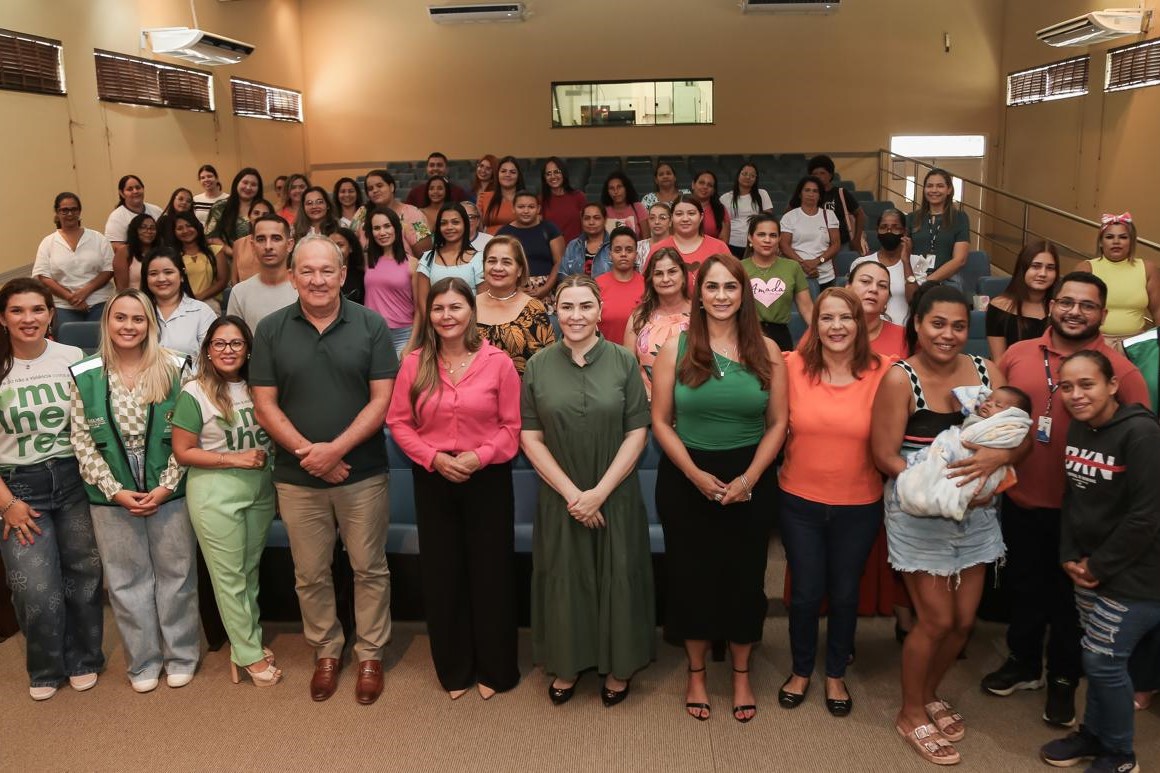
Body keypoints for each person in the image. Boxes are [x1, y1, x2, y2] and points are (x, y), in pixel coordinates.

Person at [984, 272, 1150, 728]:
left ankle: (1062, 681)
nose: (1075, 311)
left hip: (1086, 517)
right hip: (1021, 499)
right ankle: (1022, 663)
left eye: (1088, 305)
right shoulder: (1018, 355)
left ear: (1102, 313)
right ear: (1051, 305)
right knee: (1023, 587)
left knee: (1069, 605)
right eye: (1067, 302)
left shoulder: (1122, 371)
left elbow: (1139, 444)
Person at [251, 235, 399, 706]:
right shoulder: (271, 329)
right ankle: (327, 652)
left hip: (363, 471)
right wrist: (307, 453)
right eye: (307, 272)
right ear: (293, 276)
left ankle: (371, 653)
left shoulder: (372, 325)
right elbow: (264, 404)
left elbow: (382, 401)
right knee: (310, 572)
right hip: (297, 477)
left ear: (342, 274)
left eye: (327, 271)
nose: (317, 280)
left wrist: (334, 450)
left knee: (368, 567)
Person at [871, 284, 1014, 765]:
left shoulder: (986, 372)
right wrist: (936, 486)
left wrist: (1001, 458)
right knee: (934, 621)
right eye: (937, 324)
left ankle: (929, 692)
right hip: (920, 512)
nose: (948, 335)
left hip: (978, 513)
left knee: (963, 622)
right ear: (917, 323)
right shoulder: (899, 378)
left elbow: (1016, 435)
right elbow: (885, 455)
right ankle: (911, 713)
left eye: (958, 325)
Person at [652, 253, 787, 723]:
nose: (722, 296)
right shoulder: (676, 348)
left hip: (751, 475)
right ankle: (694, 672)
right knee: (691, 579)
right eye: (713, 287)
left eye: (731, 287)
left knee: (745, 578)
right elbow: (661, 421)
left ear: (744, 293)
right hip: (688, 475)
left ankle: (742, 672)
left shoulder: (767, 350)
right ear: (699, 295)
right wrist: (693, 474)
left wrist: (749, 478)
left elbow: (779, 423)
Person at [520, 275, 655, 707]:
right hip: (560, 493)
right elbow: (530, 437)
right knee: (565, 576)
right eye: (566, 307)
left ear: (599, 311)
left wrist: (598, 493)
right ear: (554, 312)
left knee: (618, 575)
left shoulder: (623, 361)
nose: (575, 316)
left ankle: (618, 666)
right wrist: (574, 495)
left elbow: (638, 432)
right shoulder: (538, 365)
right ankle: (567, 661)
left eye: (584, 307)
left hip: (614, 490)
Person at [387, 277, 521, 699]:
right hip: (433, 478)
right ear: (429, 314)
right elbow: (398, 423)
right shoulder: (414, 362)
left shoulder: (497, 360)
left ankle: (495, 669)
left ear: (471, 312)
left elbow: (511, 428)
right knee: (444, 576)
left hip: (488, 479)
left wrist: (477, 457)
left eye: (455, 307)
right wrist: (434, 458)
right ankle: (455, 669)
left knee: (491, 574)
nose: (447, 316)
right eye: (439, 308)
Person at [69, 289, 197, 693]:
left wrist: (165, 486)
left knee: (176, 576)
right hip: (111, 494)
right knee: (126, 581)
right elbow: (81, 440)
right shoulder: (83, 372)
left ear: (151, 324)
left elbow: (190, 431)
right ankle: (143, 661)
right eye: (120, 318)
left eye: (138, 319)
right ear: (107, 322)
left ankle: (180, 655)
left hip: (169, 489)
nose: (128, 326)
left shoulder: (178, 367)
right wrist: (114, 491)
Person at [1042, 350, 1160, 773]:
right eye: (1066, 386)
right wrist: (1070, 554)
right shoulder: (1079, 426)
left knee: (1102, 661)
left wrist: (1098, 566)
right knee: (1096, 655)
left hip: (1137, 574)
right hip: (1089, 566)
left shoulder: (1142, 433)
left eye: (1086, 384)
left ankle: (1121, 753)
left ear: (1112, 385)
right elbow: (1074, 495)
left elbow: (1147, 515)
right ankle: (1093, 734)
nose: (1075, 394)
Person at [779, 288, 890, 718]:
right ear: (814, 324)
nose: (837, 326)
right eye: (827, 318)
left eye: (846, 317)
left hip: (859, 504)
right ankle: (802, 669)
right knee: (806, 594)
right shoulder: (791, 367)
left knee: (845, 593)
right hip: (798, 501)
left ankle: (836, 673)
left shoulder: (885, 372)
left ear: (860, 324)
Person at [0, 278, 104, 701]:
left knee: (84, 574)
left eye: (38, 310)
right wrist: (7, 503)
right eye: (18, 311)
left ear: (51, 314)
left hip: (73, 477)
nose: (29, 319)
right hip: (18, 487)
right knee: (35, 586)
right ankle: (46, 667)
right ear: (2, 318)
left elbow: (94, 420)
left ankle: (85, 659)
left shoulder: (73, 356)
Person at [171, 316, 281, 688]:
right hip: (214, 493)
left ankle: (244, 643)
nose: (228, 350)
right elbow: (183, 452)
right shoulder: (194, 391)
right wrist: (234, 459)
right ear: (207, 350)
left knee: (248, 573)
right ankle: (249, 654)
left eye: (235, 343)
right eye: (219, 343)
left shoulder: (260, 387)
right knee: (229, 577)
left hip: (260, 491)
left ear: (248, 349)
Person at [894, 386, 1032, 522]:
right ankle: (930, 494)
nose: (989, 403)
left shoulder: (1003, 429)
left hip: (978, 483)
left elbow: (1020, 440)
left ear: (1011, 415)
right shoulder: (975, 418)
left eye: (998, 405)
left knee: (965, 487)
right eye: (988, 399)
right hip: (952, 463)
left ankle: (945, 498)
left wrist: (1002, 455)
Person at [1076, 212, 1160, 349]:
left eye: (1123, 237)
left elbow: (1158, 310)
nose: (1116, 242)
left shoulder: (1148, 268)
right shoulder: (1086, 268)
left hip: (1137, 346)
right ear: (1101, 242)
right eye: (1109, 237)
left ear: (1131, 241)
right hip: (1095, 343)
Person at [34, 192, 115, 332]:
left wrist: (84, 292)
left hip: (99, 302)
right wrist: (70, 297)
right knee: (68, 348)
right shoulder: (48, 243)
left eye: (74, 209)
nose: (70, 213)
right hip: (63, 306)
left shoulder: (98, 238)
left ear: (79, 211)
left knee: (102, 347)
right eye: (64, 210)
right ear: (57, 212)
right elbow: (43, 276)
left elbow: (108, 270)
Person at [475, 236, 555, 375]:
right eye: (491, 261)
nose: (497, 267)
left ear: (519, 270)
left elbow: (546, 365)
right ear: (484, 266)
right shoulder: (468, 307)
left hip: (520, 393)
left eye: (506, 262)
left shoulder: (533, 310)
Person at [624, 248, 691, 400]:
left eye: (672, 271)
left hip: (693, 405)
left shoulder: (700, 315)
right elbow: (628, 368)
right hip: (647, 403)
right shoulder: (639, 317)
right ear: (651, 280)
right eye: (659, 274)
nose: (666, 279)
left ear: (684, 276)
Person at [741, 213, 811, 351]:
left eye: (773, 235)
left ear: (779, 239)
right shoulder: (738, 268)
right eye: (761, 234)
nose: (767, 240)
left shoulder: (792, 267)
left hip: (781, 337)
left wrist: (818, 334)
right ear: (750, 237)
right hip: (747, 334)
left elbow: (807, 308)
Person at [985, 240, 1058, 362]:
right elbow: (999, 361)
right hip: (1011, 377)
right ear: (1022, 268)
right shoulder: (999, 307)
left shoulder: (1060, 307)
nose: (1043, 273)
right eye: (1036, 266)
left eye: (1050, 268)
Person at [227, 214, 299, 335]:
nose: (268, 246)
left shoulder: (305, 288)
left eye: (276, 238)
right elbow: (234, 340)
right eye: (261, 239)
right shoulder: (239, 292)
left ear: (290, 244)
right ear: (252, 246)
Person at [140, 248, 218, 359]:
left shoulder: (202, 312)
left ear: (181, 275)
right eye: (153, 274)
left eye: (168, 272)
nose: (161, 279)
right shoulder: (137, 311)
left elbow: (212, 358)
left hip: (191, 376)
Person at [362, 206, 419, 356]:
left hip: (403, 335)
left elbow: (421, 310)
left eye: (387, 226)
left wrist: (411, 344)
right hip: (372, 334)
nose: (382, 232)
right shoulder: (368, 261)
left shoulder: (412, 263)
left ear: (396, 228)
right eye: (376, 228)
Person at [851, 209, 921, 325]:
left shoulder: (917, 262)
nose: (889, 232)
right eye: (883, 227)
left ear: (904, 232)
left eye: (895, 227)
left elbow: (915, 302)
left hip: (904, 331)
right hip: (868, 330)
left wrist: (906, 263)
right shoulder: (861, 264)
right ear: (877, 231)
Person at [497, 191, 564, 307]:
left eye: (531, 207)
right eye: (521, 207)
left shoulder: (549, 229)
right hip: (513, 291)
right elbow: (499, 265)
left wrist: (545, 288)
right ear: (513, 208)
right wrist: (514, 289)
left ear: (538, 209)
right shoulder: (504, 233)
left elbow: (559, 262)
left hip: (547, 291)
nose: (526, 211)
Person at [906, 168, 970, 288]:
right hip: (916, 276)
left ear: (949, 190)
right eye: (929, 186)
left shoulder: (960, 218)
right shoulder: (911, 218)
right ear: (924, 189)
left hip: (948, 279)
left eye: (940, 186)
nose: (934, 190)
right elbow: (904, 254)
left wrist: (927, 282)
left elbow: (960, 259)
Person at [416, 203, 483, 316]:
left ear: (465, 225)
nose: (449, 227)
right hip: (437, 326)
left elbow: (483, 302)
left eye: (455, 222)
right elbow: (424, 303)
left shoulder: (479, 258)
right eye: (444, 223)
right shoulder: (427, 258)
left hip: (472, 327)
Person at [780, 175, 841, 297]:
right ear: (800, 194)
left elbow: (836, 244)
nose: (811, 194)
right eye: (807, 190)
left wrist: (817, 261)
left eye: (815, 191)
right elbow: (784, 245)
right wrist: (803, 264)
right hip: (797, 274)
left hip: (825, 276)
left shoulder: (829, 215)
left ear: (820, 195)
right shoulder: (789, 217)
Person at [350, 170, 431, 258]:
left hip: (404, 268)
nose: (375, 190)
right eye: (370, 189)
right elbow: (349, 242)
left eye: (379, 186)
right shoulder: (363, 212)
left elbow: (425, 254)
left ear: (391, 187)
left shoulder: (412, 213)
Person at [647, 195, 730, 280]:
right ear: (671, 218)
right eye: (679, 214)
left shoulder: (719, 247)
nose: (685, 219)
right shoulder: (658, 249)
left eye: (691, 213)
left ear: (701, 217)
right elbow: (647, 285)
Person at [596, 226, 645, 345]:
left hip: (638, 359)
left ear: (636, 255)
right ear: (609, 254)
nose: (623, 254)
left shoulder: (647, 285)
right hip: (603, 356)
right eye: (618, 250)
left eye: (629, 250)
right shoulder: (596, 285)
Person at [808, 155, 867, 254]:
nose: (818, 176)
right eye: (815, 174)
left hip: (842, 244)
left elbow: (860, 215)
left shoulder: (841, 193)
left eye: (822, 173)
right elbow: (789, 212)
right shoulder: (808, 195)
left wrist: (856, 239)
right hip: (816, 246)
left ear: (830, 175)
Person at [171, 211, 228, 312]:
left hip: (210, 304)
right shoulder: (172, 256)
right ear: (174, 232)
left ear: (197, 227)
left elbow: (222, 281)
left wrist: (199, 297)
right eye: (180, 228)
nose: (185, 230)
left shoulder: (215, 250)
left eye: (189, 226)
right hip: (180, 305)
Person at [206, 167, 264, 263]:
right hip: (227, 263)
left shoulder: (263, 209)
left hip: (257, 262)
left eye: (253, 184)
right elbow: (210, 237)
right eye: (245, 183)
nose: (248, 187)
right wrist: (232, 252)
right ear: (237, 183)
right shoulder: (220, 207)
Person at [104, 175, 162, 266]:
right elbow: (116, 248)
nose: (135, 191)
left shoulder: (157, 210)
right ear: (122, 193)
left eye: (138, 188)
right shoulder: (116, 217)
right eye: (130, 189)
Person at [720, 162, 773, 258]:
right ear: (738, 175)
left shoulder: (762, 194)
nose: (748, 177)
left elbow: (768, 220)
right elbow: (722, 225)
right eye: (744, 174)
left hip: (756, 243)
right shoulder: (725, 198)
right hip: (732, 243)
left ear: (756, 179)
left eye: (752, 176)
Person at [228, 198, 275, 285]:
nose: (260, 217)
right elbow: (234, 278)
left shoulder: (276, 243)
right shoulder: (239, 244)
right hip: (243, 294)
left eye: (265, 214)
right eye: (256, 213)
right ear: (249, 217)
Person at [539, 157, 586, 242]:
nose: (553, 176)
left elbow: (585, 227)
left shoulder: (578, 196)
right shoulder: (540, 200)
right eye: (548, 174)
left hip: (576, 250)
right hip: (550, 251)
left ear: (563, 174)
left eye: (557, 172)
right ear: (544, 178)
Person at [560, 203, 611, 278]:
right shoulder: (573, 245)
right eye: (587, 218)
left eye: (596, 218)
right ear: (581, 220)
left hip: (606, 289)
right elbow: (563, 274)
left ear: (605, 219)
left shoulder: (613, 245)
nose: (591, 222)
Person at [479, 156, 525, 234]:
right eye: (503, 171)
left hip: (518, 243)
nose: (507, 174)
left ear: (518, 176)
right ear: (497, 174)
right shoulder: (484, 197)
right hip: (489, 243)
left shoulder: (526, 199)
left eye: (512, 172)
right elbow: (477, 226)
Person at [404, 152, 470, 206]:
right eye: (432, 165)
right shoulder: (415, 193)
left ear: (447, 169)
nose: (435, 168)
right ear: (427, 169)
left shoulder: (458, 193)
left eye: (439, 165)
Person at [115, 212, 158, 291]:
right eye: (143, 227)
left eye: (152, 228)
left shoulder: (160, 252)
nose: (148, 231)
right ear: (135, 230)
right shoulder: (124, 251)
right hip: (133, 299)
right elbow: (122, 288)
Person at [601, 171, 649, 239]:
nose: (616, 191)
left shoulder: (638, 207)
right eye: (611, 188)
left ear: (626, 188)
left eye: (619, 187)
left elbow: (646, 239)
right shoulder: (604, 211)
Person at [690, 170, 730, 242]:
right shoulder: (681, 206)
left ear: (713, 191)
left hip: (713, 252)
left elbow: (724, 241)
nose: (705, 187)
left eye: (710, 185)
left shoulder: (720, 210)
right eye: (701, 183)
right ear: (693, 185)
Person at [330, 226, 366, 305]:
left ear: (350, 248)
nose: (336, 249)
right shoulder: (320, 275)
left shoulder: (361, 276)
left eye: (340, 245)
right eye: (331, 245)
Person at [636, 202, 672, 270]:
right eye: (652, 218)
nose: (657, 222)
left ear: (670, 222)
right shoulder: (638, 247)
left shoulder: (677, 246)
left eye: (662, 218)